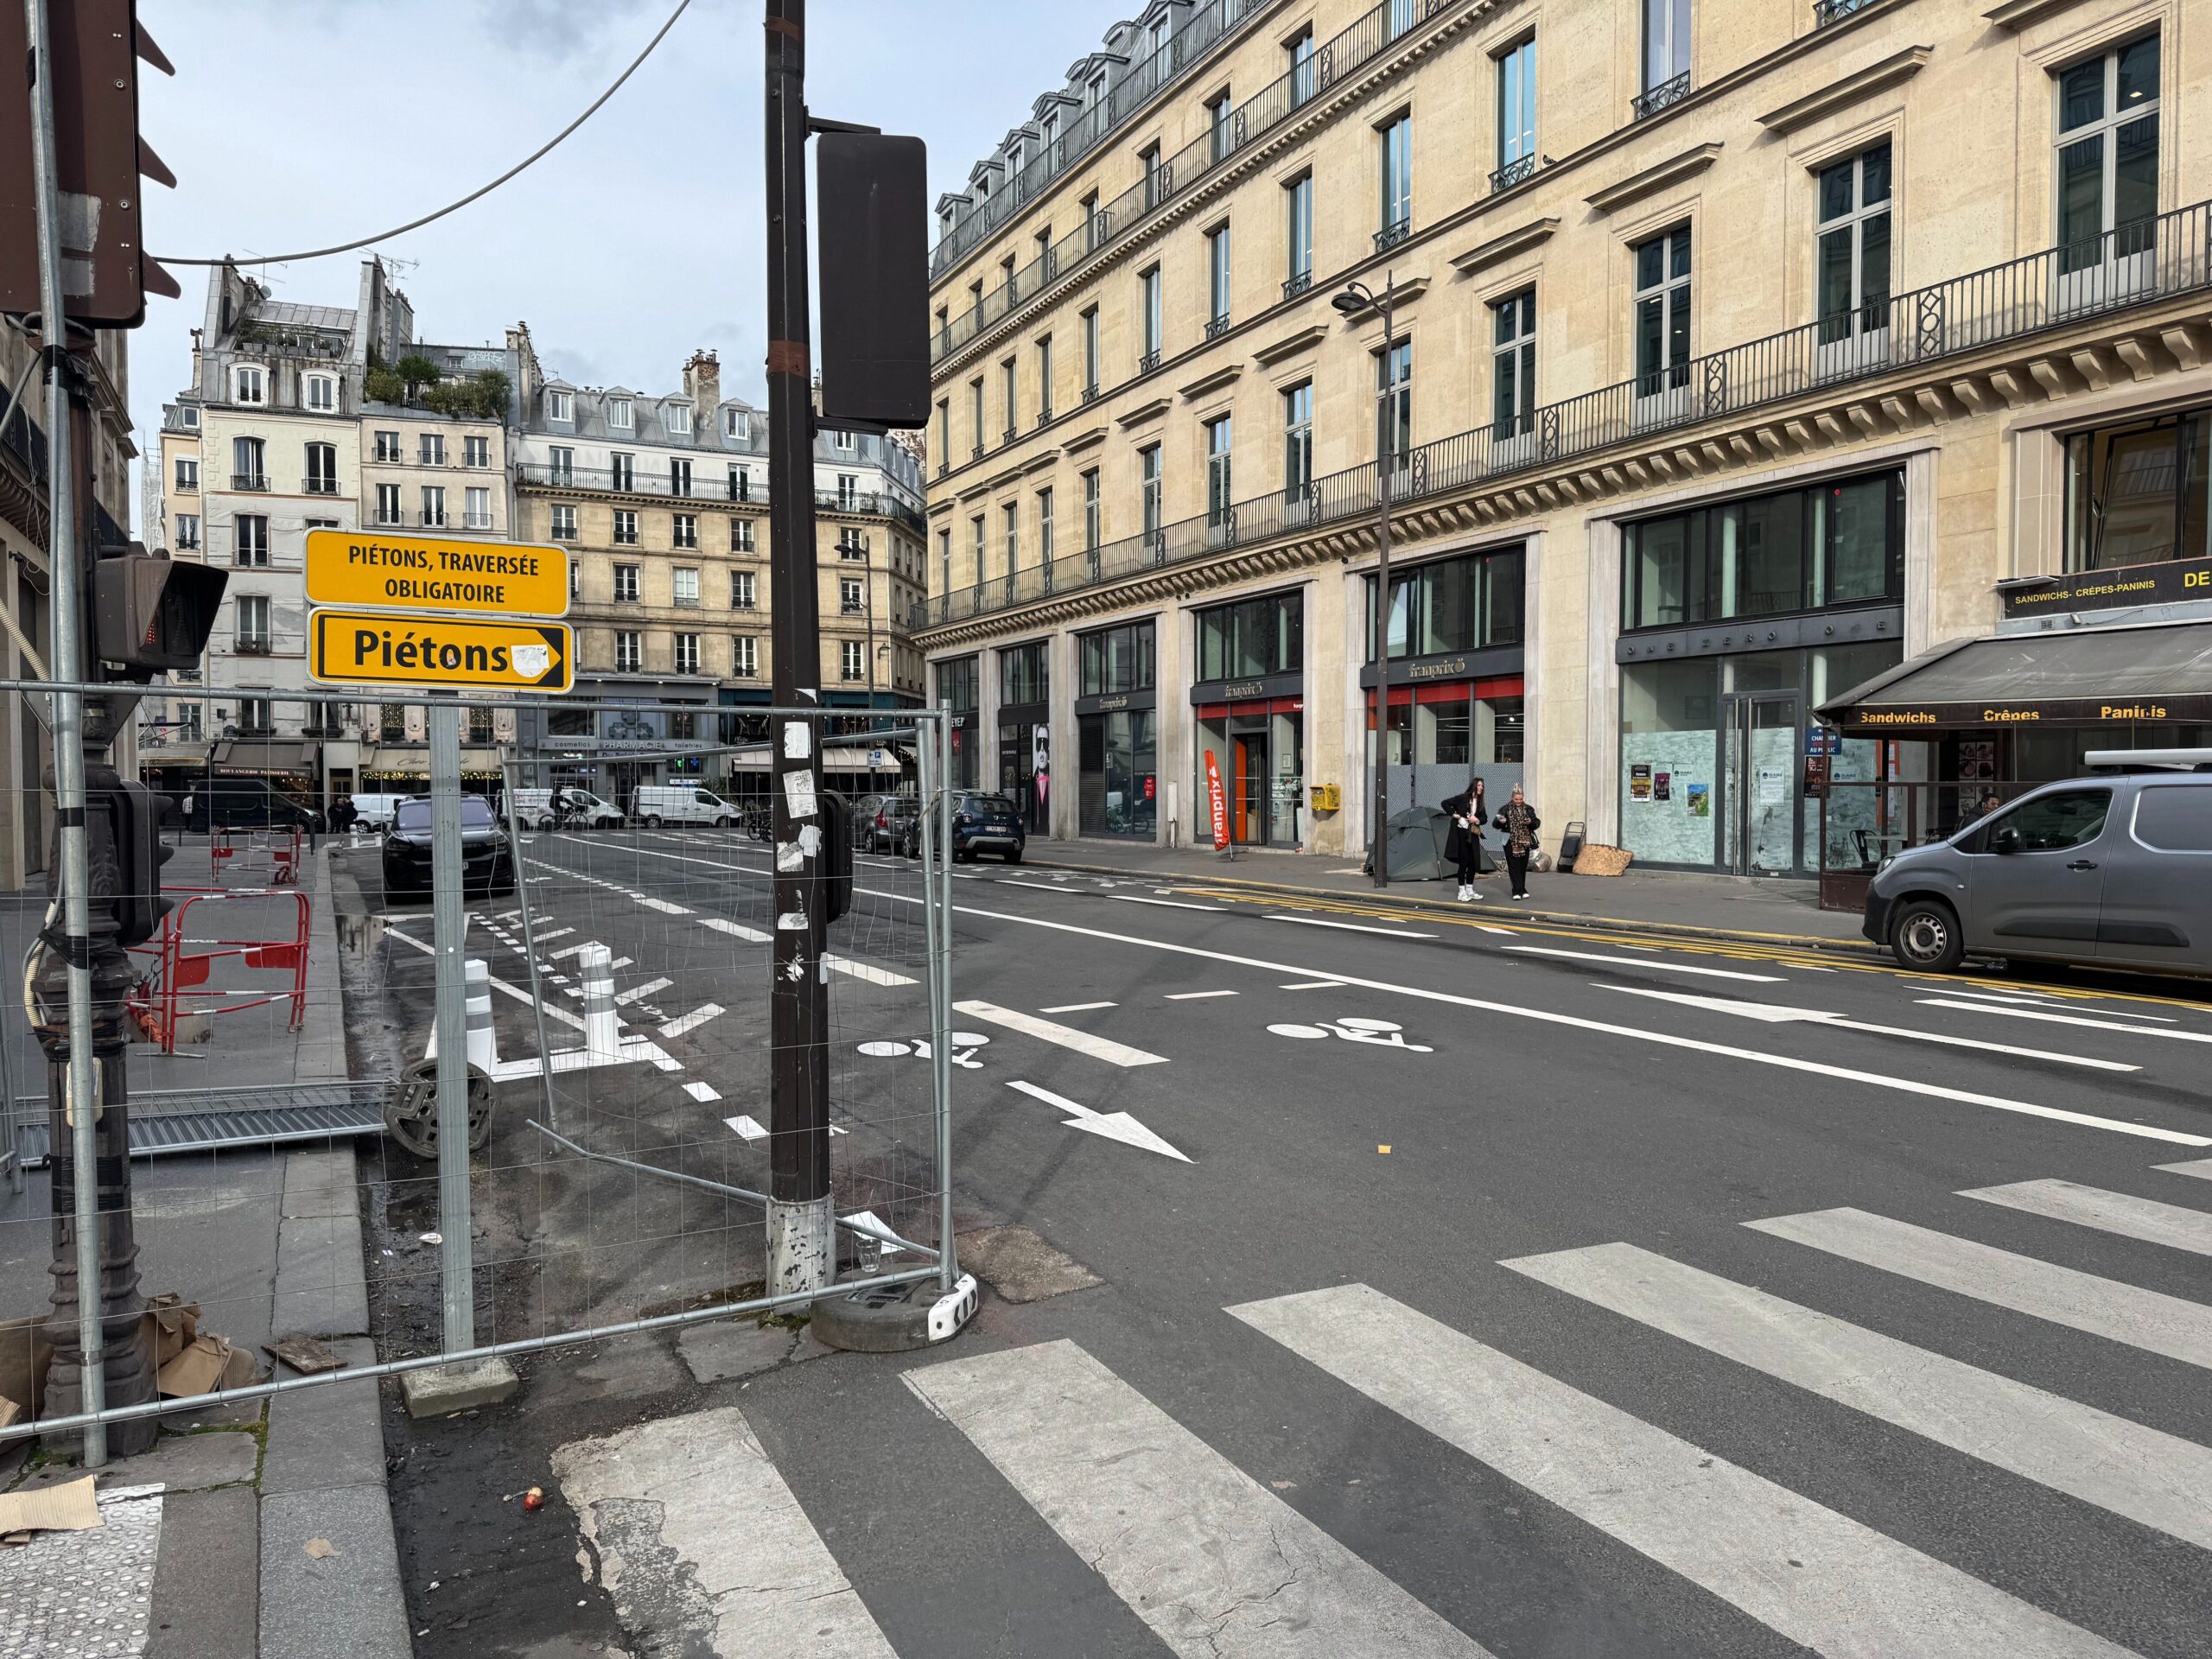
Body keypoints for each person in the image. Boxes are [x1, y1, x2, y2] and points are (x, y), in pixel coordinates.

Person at [1439, 777, 1488, 902]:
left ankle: (1470, 890)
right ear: (1474, 786)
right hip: (1461, 834)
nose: (1481, 788)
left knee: (1473, 863)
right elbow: (1445, 803)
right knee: (1463, 863)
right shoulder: (1463, 798)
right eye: (1479, 785)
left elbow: (1484, 818)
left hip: (1473, 834)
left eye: (1482, 786)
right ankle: (1462, 892)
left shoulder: (1480, 803)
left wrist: (1476, 820)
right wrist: (1456, 815)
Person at [1492, 784, 1542, 900]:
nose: (1519, 801)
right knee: (1513, 865)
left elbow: (1536, 823)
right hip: (1509, 840)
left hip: (1524, 840)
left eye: (1520, 799)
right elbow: (1495, 824)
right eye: (1516, 799)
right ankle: (1516, 890)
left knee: (1522, 865)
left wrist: (1530, 822)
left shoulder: (1528, 809)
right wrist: (1502, 822)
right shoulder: (1505, 809)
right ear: (1512, 798)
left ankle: (1522, 888)